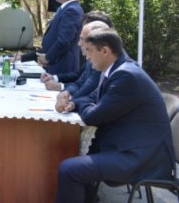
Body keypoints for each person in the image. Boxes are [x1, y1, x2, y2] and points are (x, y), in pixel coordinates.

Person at [55, 28, 175, 202]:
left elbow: (93, 116)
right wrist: (73, 103)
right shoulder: (117, 69)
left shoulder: (126, 76)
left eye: (89, 50)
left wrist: (80, 104)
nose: (86, 57)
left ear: (105, 51)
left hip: (140, 158)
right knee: (66, 151)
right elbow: (91, 98)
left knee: (69, 169)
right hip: (127, 147)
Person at [30, 0, 84, 75]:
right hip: (55, 64)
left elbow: (64, 40)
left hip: (62, 67)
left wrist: (48, 58)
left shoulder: (72, 10)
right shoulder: (65, 8)